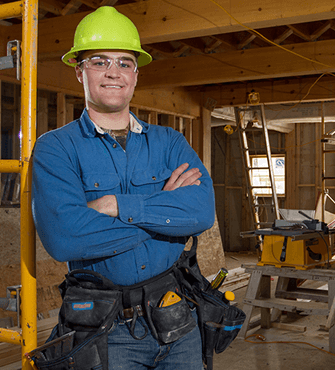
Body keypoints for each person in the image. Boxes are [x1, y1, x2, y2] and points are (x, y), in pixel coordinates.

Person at [31, 6, 214, 369]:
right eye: (99, 62)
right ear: (79, 71)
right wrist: (163, 206)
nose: (114, 72)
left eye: (125, 63)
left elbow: (201, 213)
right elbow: (65, 238)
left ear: (135, 75)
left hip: (178, 320)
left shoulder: (170, 141)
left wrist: (115, 204)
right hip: (106, 328)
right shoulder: (56, 147)